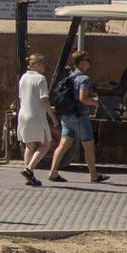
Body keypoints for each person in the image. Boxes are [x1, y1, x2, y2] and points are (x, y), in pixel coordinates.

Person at [47, 50, 107, 184]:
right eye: (87, 60)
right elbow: (83, 98)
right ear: (80, 63)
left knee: (63, 144)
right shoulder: (83, 79)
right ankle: (94, 176)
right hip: (80, 117)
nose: (89, 62)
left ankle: (53, 172)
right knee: (89, 146)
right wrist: (95, 102)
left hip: (67, 116)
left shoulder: (69, 77)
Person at [17, 53, 55, 187]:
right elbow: (44, 99)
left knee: (30, 145)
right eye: (43, 64)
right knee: (45, 144)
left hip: (24, 115)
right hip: (36, 116)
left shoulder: (23, 78)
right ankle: (28, 169)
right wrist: (53, 117)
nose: (45, 67)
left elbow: (21, 97)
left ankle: (29, 176)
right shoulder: (41, 79)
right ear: (37, 65)